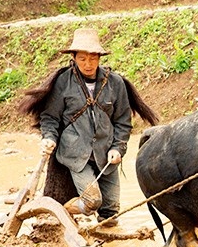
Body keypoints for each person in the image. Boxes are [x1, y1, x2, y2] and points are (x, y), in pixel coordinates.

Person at [19, 28, 159, 227]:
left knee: (110, 212)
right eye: (83, 58)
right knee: (92, 200)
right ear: (74, 58)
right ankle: (60, 212)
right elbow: (50, 117)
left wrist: (117, 148)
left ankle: (107, 238)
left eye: (93, 58)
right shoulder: (63, 82)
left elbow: (122, 122)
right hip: (76, 154)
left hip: (106, 154)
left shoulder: (115, 83)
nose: (88, 64)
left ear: (100, 58)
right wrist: (48, 137)